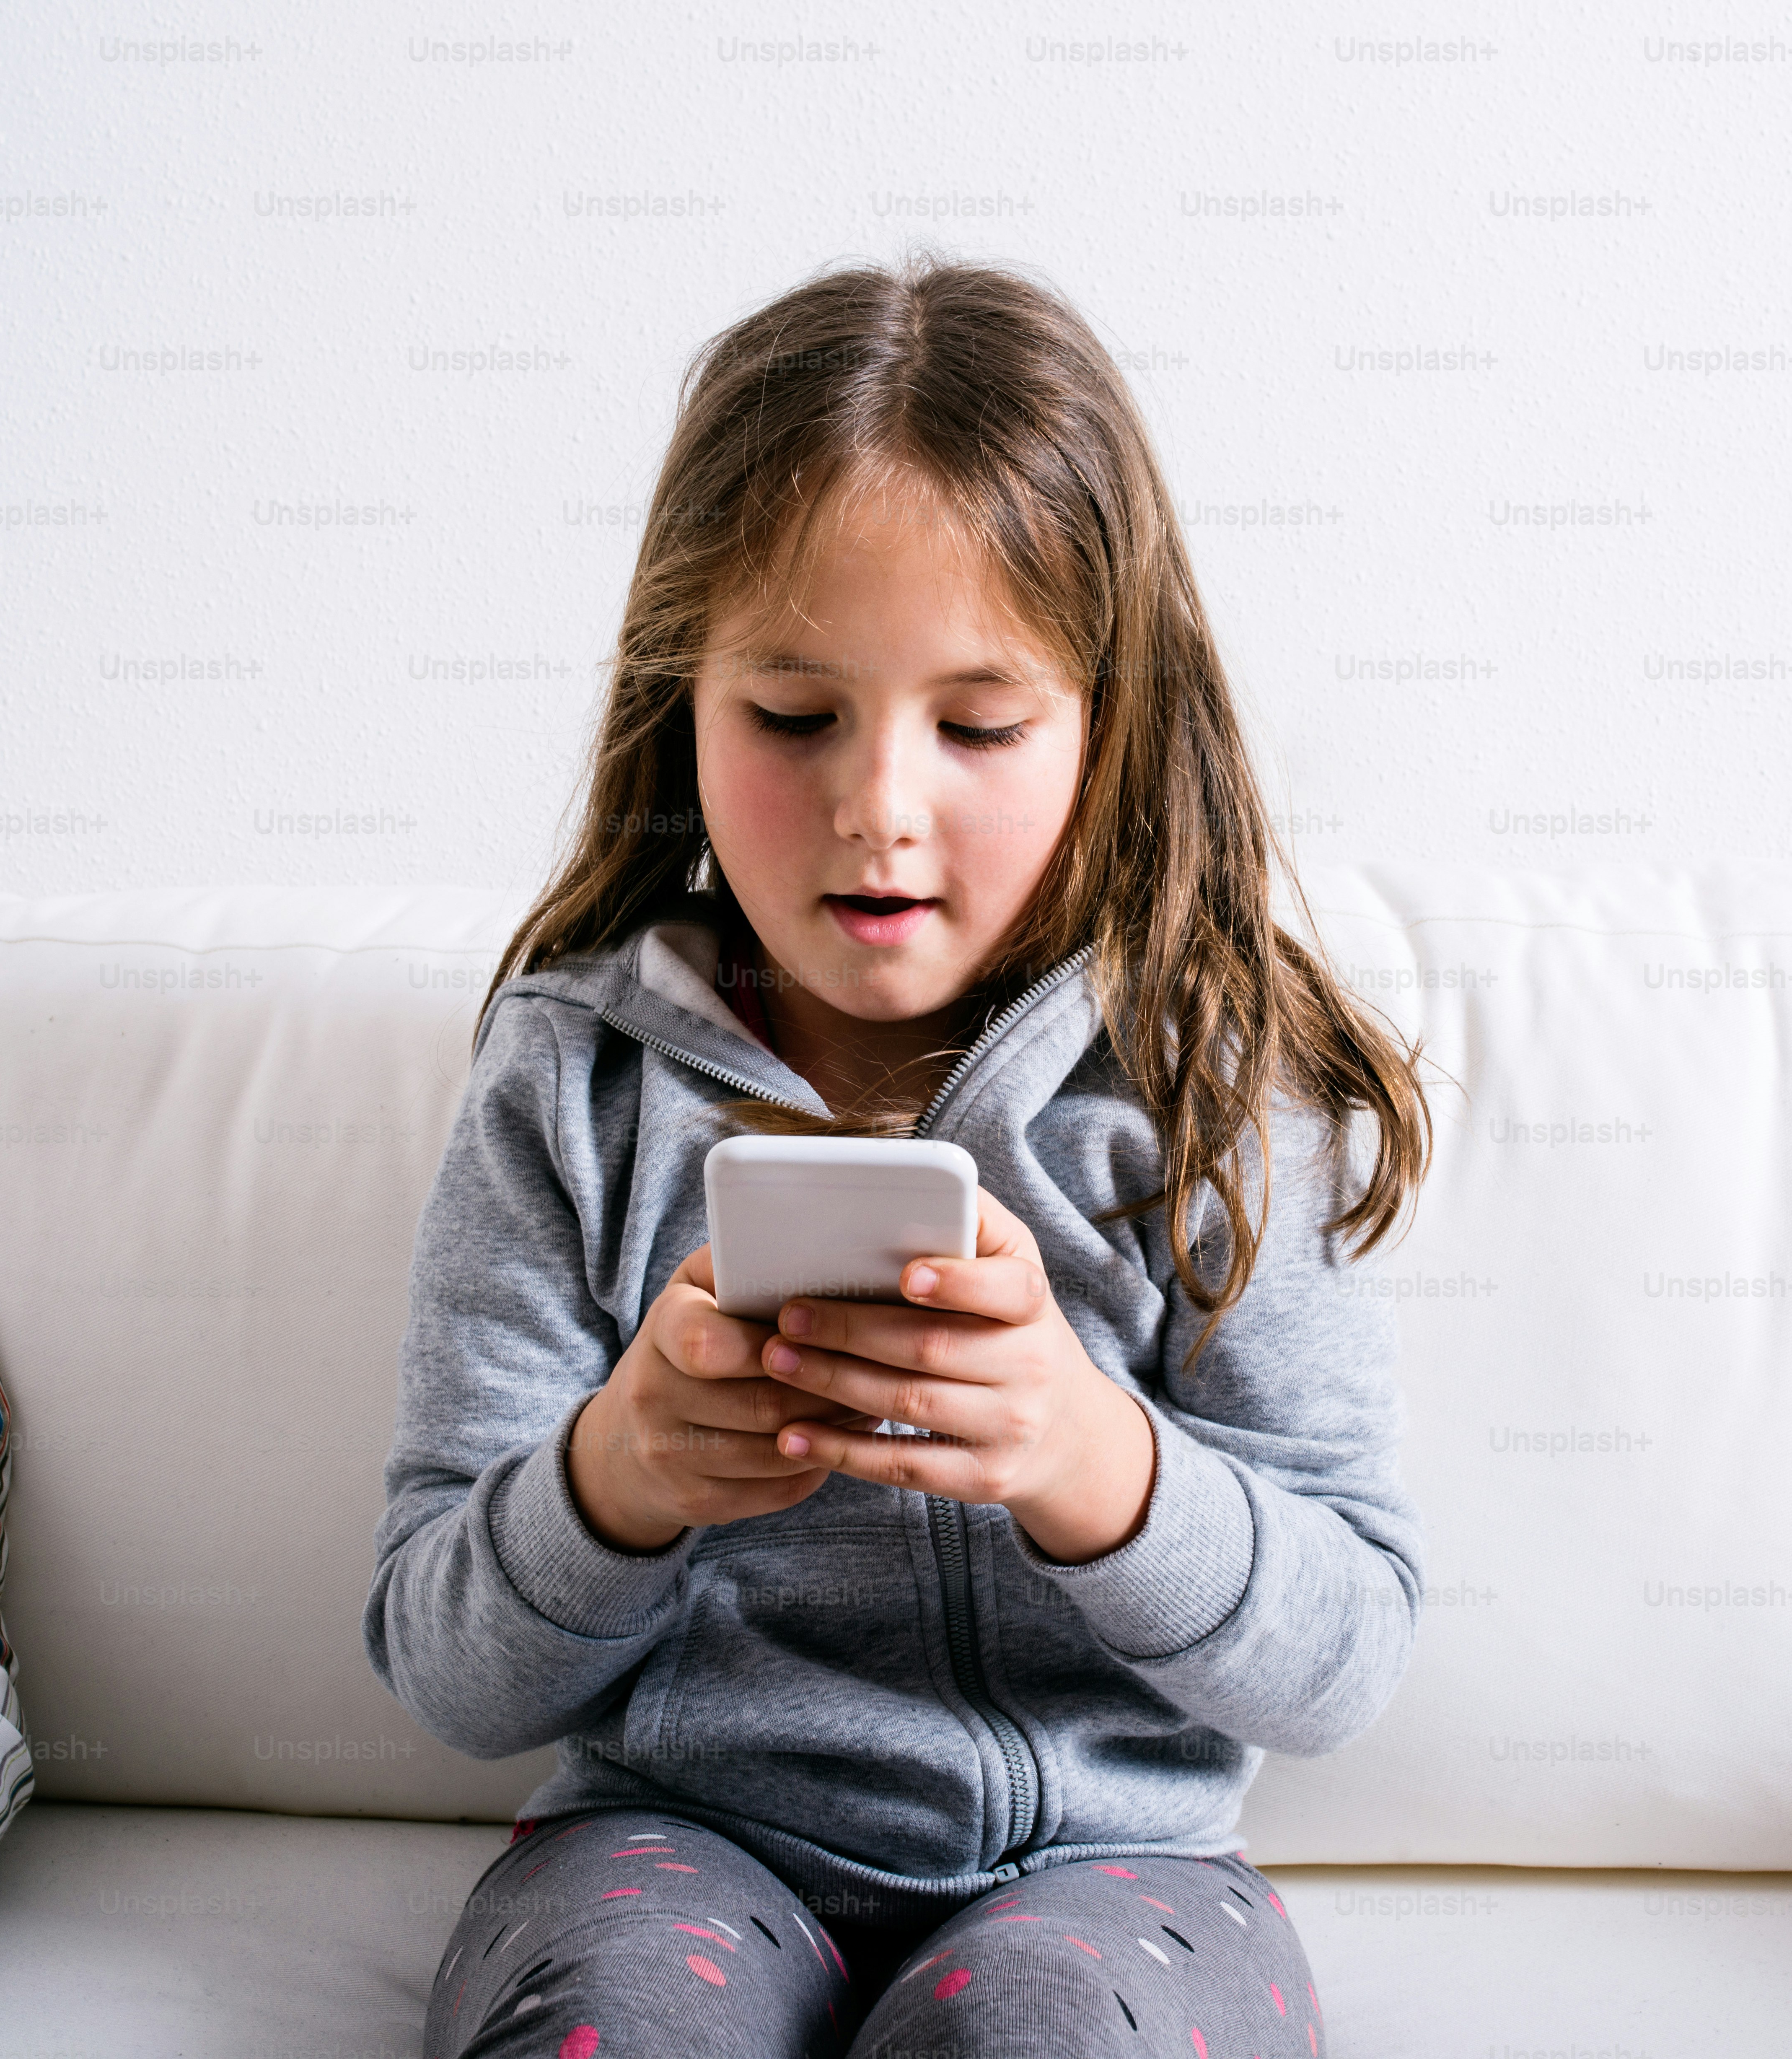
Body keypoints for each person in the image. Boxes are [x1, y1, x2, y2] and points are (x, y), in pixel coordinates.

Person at [367, 251, 1433, 2059]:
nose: (879, 802)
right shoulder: (573, 1091)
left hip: (1116, 1871)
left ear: (1112, 726)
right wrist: (618, 1471)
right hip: (671, 1843)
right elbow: (449, 1669)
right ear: (677, 708)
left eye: (980, 722)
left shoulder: (1212, 1082)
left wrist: (1093, 1460)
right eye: (793, 716)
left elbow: (1346, 1652)